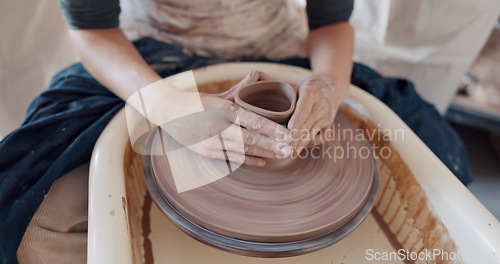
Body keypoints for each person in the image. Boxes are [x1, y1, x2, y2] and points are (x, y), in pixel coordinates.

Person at [0, 0, 471, 263]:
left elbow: (331, 21)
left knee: (439, 158)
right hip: (149, 59)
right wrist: (166, 106)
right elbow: (91, 29)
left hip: (276, 49)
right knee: (29, 222)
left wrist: (327, 84)